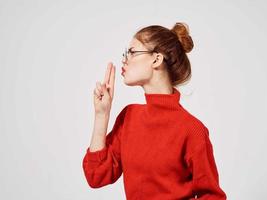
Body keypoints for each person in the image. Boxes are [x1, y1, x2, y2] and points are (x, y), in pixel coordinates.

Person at [82, 22, 227, 200]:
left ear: (157, 59)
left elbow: (212, 196)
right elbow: (96, 176)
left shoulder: (192, 130)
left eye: (132, 52)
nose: (125, 59)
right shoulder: (129, 117)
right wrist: (101, 115)